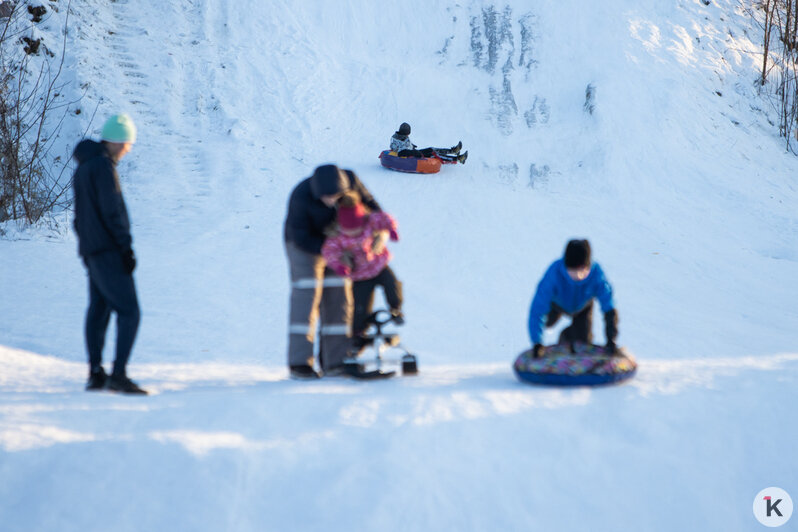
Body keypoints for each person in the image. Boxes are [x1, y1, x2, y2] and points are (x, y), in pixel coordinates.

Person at [283, 164, 383, 379]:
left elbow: (374, 209)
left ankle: (336, 362)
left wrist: (380, 233)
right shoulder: (300, 197)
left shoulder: (352, 182)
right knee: (307, 296)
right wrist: (333, 252)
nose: (331, 201)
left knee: (339, 297)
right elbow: (300, 236)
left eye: (335, 196)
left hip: (339, 243)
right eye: (326, 198)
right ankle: (300, 363)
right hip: (305, 247)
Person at [72, 113, 146, 394]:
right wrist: (125, 248)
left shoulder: (83, 168)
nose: (128, 150)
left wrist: (88, 246)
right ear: (116, 142)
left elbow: (79, 218)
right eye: (127, 144)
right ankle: (119, 375)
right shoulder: (103, 167)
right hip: (109, 251)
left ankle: (95, 373)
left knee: (99, 310)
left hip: (91, 250)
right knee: (130, 311)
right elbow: (112, 210)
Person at [321, 191, 403, 351]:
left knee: (392, 284)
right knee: (359, 305)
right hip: (360, 276)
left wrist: (391, 229)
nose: (354, 233)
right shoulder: (337, 236)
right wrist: (340, 266)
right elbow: (330, 252)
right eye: (349, 230)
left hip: (379, 267)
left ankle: (395, 309)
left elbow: (385, 218)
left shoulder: (369, 221)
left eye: (357, 228)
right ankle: (357, 332)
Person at [527, 239, 619, 358]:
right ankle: (553, 323)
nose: (578, 276)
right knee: (546, 322)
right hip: (555, 304)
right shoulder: (554, 274)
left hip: (582, 307)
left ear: (588, 266)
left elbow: (609, 308)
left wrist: (611, 339)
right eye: (573, 271)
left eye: (583, 270)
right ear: (566, 266)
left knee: (582, 343)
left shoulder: (597, 274)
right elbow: (537, 310)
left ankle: (566, 336)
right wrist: (537, 343)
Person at [390, 122, 468, 164]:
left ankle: (453, 151)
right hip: (413, 155)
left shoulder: (399, 136)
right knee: (433, 154)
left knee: (431, 149)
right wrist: (415, 152)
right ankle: (458, 159)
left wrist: (411, 146)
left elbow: (403, 145)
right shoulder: (398, 139)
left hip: (413, 152)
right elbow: (401, 152)